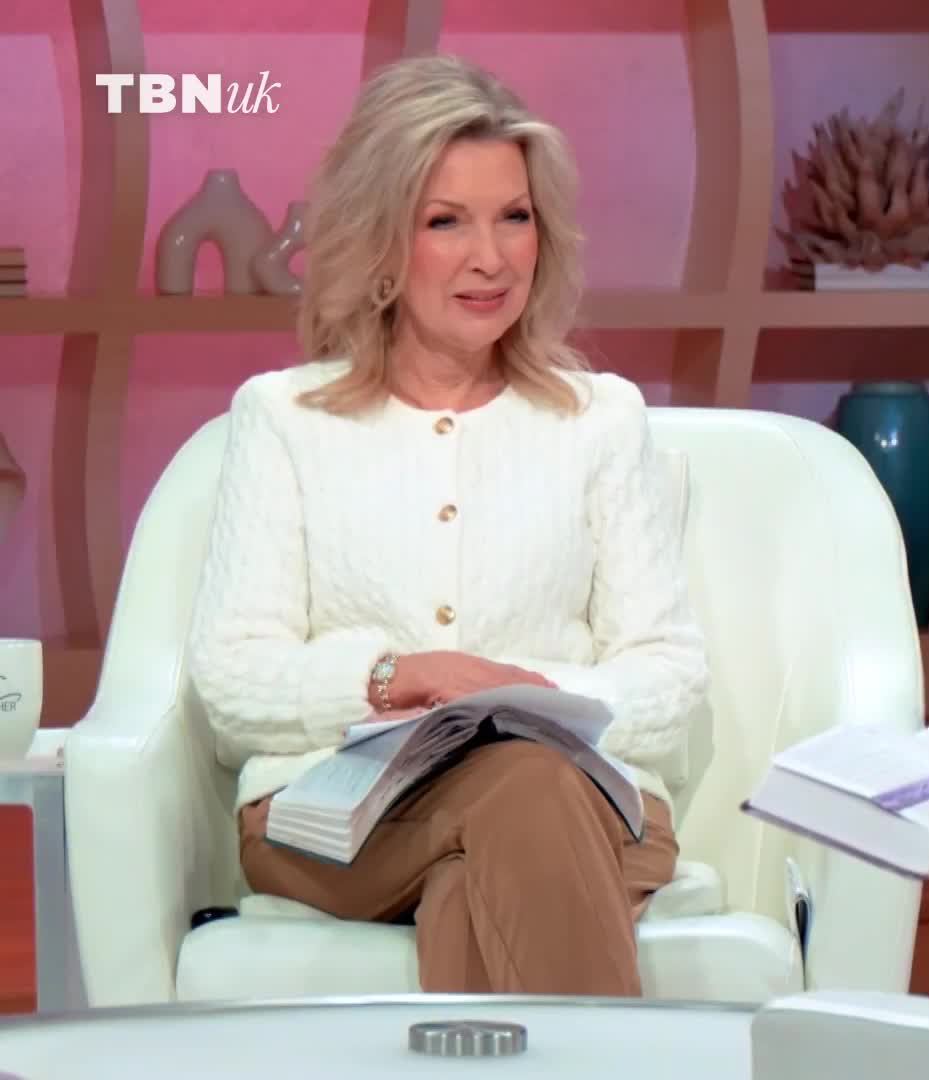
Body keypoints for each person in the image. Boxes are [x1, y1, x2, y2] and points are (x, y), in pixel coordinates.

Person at [182, 55, 709, 997]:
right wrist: (402, 677)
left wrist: (526, 693)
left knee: (509, 825)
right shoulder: (284, 417)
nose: (492, 258)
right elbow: (231, 678)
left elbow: (668, 678)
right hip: (336, 816)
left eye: (515, 216)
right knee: (523, 797)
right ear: (379, 238)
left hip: (585, 804)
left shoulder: (601, 419)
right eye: (445, 222)